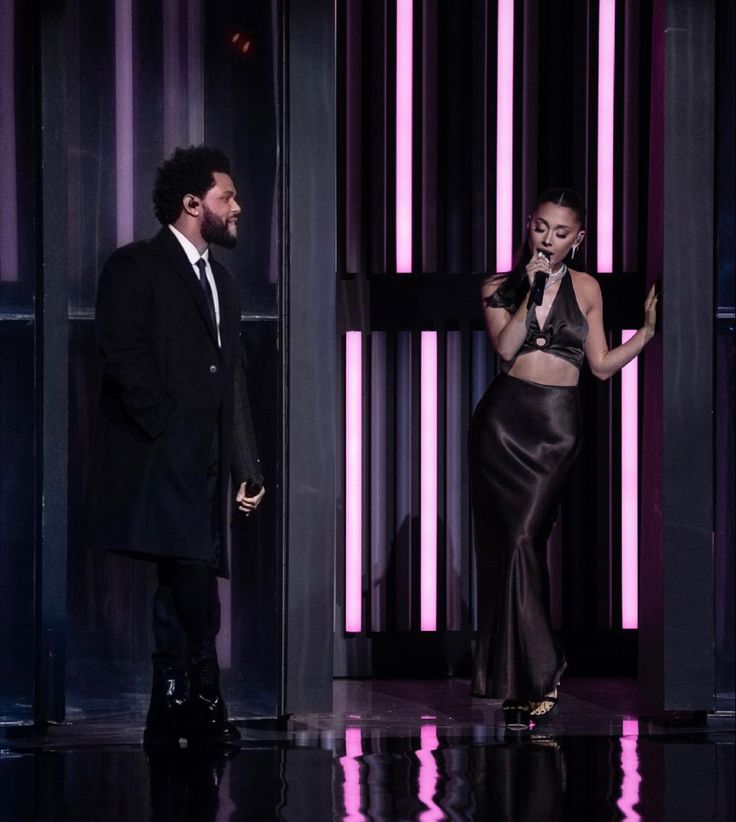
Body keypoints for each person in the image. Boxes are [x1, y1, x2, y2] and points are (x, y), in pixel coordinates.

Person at [84, 145, 266, 746]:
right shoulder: (137, 265)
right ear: (193, 205)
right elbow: (122, 353)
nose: (237, 207)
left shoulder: (222, 279)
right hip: (162, 458)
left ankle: (175, 708)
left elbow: (230, 374)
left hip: (208, 462)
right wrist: (165, 424)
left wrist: (246, 463)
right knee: (189, 578)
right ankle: (197, 699)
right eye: (227, 197)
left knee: (188, 579)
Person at [469, 188, 657, 730]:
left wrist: (644, 333)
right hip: (503, 427)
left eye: (560, 232)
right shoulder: (499, 288)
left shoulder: (590, 288)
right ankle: (527, 678)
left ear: (579, 239)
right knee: (509, 549)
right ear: (529, 227)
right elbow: (505, 350)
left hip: (555, 429)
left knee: (528, 540)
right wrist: (534, 289)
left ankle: (538, 670)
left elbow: (598, 367)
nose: (548, 240)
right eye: (540, 228)